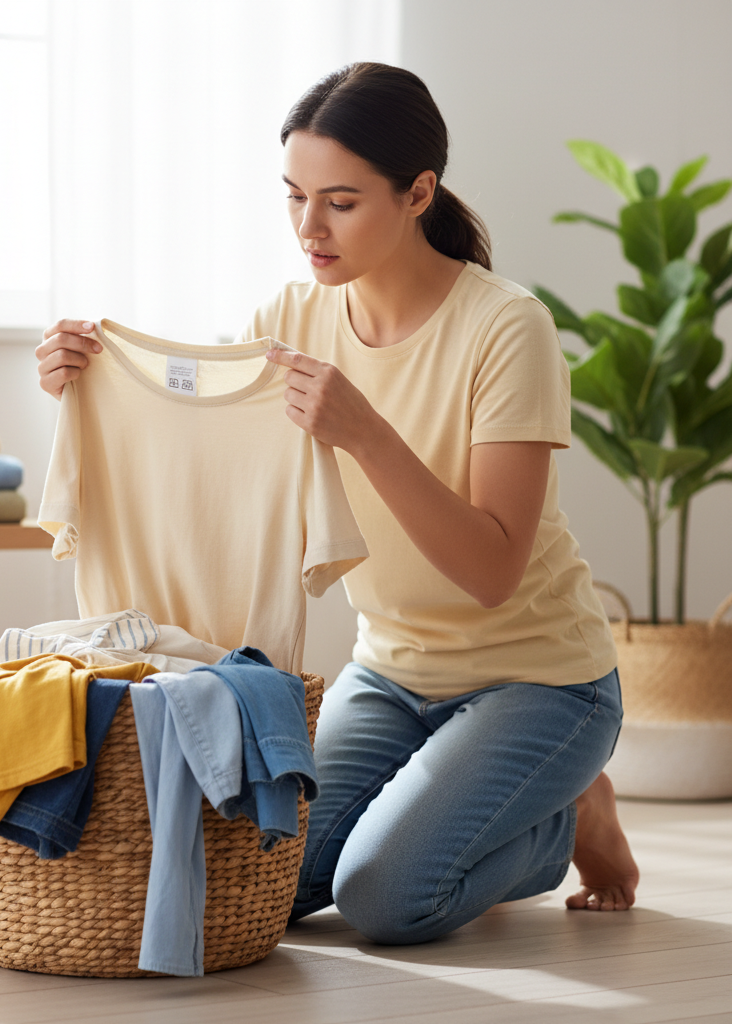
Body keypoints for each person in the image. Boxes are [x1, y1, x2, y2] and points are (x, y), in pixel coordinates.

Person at [35, 62, 639, 944]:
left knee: (386, 897)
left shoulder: (508, 328)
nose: (309, 228)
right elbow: (202, 459)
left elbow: (493, 571)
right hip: (390, 673)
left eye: (341, 202)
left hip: (540, 679)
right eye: (294, 196)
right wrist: (83, 387)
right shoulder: (287, 317)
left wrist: (366, 431)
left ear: (417, 192)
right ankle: (497, 794)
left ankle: (557, 822)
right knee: (266, 882)